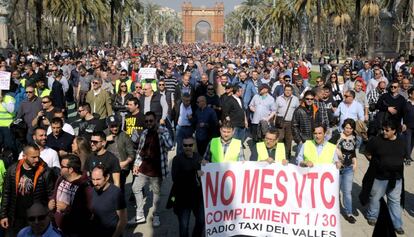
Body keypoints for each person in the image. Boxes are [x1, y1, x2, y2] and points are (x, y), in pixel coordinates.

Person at [129, 111, 173, 227]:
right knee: (135, 188)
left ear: (156, 121)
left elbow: (170, 145)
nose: (148, 123)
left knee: (156, 195)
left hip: (157, 170)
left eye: (151, 121)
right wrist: (136, 165)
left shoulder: (163, 131)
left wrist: (161, 134)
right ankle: (140, 214)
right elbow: (140, 150)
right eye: (147, 121)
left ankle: (156, 215)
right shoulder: (144, 133)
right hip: (143, 168)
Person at [0, 144, 54, 236]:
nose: (37, 160)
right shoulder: (13, 169)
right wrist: (3, 215)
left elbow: (51, 194)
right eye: (33, 157)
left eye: (38, 156)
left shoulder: (45, 172)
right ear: (24, 156)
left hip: (35, 218)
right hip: (15, 218)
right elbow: (6, 193)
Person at [364, 120, 405, 235]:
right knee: (375, 197)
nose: (384, 132)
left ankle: (397, 224)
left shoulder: (401, 142)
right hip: (379, 177)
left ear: (394, 131)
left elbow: (404, 156)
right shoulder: (376, 140)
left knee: (395, 201)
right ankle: (372, 216)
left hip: (396, 178)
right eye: (383, 129)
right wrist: (374, 163)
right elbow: (367, 152)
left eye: (387, 130)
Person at [48, 154, 93, 236]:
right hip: (55, 227)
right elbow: (54, 195)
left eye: (62, 166)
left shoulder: (85, 187)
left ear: (71, 170)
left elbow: (86, 213)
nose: (60, 168)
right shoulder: (60, 179)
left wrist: (67, 208)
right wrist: (50, 202)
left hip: (72, 231)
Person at [171, 137, 204, 237]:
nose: (188, 147)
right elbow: (176, 178)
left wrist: (207, 166)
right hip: (183, 198)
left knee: (201, 221)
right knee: (184, 226)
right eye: (185, 145)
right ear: (182, 146)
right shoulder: (177, 159)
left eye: (190, 145)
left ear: (194, 146)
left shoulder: (198, 157)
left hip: (197, 197)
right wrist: (195, 173)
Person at [91, 165, 127, 237]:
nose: (95, 183)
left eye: (98, 179)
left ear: (107, 177)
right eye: (93, 179)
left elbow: (123, 220)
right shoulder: (92, 190)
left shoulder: (116, 193)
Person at [105, 115, 135, 193]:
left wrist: (125, 163)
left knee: (119, 189)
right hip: (106, 166)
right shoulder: (103, 134)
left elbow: (131, 154)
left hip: (122, 168)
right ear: (108, 126)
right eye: (112, 126)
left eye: (116, 125)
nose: (115, 128)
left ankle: (120, 204)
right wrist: (105, 140)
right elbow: (94, 149)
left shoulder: (124, 136)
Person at [336, 119, 357, 224]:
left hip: (349, 168)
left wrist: (355, 163)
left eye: (350, 128)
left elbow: (353, 152)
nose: (348, 130)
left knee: (347, 192)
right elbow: (329, 148)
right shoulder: (337, 136)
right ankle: (333, 211)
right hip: (337, 168)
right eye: (346, 127)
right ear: (343, 127)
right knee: (335, 191)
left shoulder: (354, 138)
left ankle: (349, 213)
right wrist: (337, 157)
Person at [292, 91, 324, 159]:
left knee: (313, 159)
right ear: (304, 98)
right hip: (303, 140)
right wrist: (299, 140)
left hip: (314, 139)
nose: (309, 100)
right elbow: (294, 126)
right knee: (300, 161)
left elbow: (319, 124)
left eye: (311, 99)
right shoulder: (299, 110)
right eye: (307, 98)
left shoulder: (316, 109)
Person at [274, 84, 300, 160]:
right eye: (286, 90)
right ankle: (279, 155)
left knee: (288, 140)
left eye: (289, 90)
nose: (288, 92)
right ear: (284, 90)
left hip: (290, 123)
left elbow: (297, 111)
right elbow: (275, 111)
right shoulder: (278, 98)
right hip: (280, 122)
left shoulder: (295, 99)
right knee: (280, 138)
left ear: (292, 91)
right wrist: (274, 121)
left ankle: (287, 156)